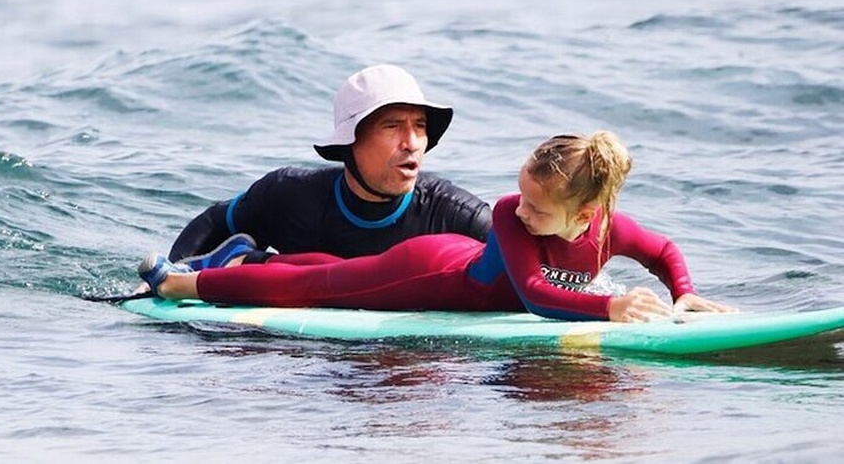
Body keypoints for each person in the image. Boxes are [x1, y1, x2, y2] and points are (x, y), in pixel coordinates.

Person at [140, 131, 734, 322]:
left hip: (453, 264)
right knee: (315, 292)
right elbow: (534, 294)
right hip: (430, 272)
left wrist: (685, 291)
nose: (518, 210)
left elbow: (661, 249)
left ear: (585, 215)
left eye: (536, 207)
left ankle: (251, 259)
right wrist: (608, 309)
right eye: (521, 195)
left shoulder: (609, 229)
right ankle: (181, 284)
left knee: (334, 272)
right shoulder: (509, 215)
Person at [165, 64, 491, 271]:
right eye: (392, 127)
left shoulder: (454, 214)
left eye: (419, 126)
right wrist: (167, 277)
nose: (412, 142)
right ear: (349, 141)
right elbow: (215, 221)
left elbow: (530, 260)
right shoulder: (289, 195)